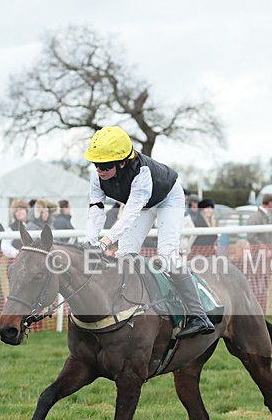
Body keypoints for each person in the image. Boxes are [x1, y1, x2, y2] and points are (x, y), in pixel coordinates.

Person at [83, 126, 213, 338]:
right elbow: (96, 210)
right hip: (143, 204)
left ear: (122, 162)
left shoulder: (141, 172)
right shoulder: (96, 177)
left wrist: (105, 242)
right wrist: (90, 241)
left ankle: (199, 316)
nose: (99, 170)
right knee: (124, 255)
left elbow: (129, 215)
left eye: (105, 165)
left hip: (168, 198)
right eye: (96, 164)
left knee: (167, 255)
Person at [245, 193, 272, 313]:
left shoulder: (270, 216)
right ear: (269, 203)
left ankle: (264, 309)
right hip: (258, 258)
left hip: (268, 257)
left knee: (266, 283)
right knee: (259, 284)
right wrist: (263, 248)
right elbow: (251, 236)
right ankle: (257, 310)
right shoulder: (255, 217)